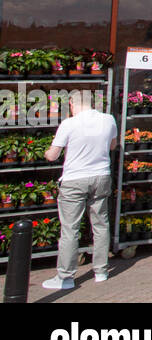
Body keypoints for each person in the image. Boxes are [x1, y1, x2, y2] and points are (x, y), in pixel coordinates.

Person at [43, 89, 117, 289]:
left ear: (72, 105)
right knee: (101, 224)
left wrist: (46, 151)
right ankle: (101, 271)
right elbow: (113, 146)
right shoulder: (108, 120)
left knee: (70, 229)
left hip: (74, 179)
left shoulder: (69, 124)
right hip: (101, 176)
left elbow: (53, 155)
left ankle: (65, 277)